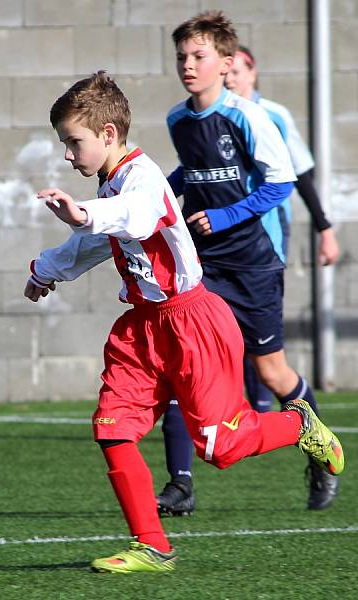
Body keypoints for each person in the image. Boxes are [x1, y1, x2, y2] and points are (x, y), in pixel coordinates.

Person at [24, 70, 343, 574]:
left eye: (73, 142)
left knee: (220, 446)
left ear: (108, 134)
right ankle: (152, 546)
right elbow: (93, 244)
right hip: (142, 329)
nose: (67, 154)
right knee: (112, 427)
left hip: (192, 322)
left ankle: (298, 421)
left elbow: (133, 217)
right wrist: (47, 271)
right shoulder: (111, 182)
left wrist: (83, 213)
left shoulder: (143, 179)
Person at [157, 14, 340, 517]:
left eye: (198, 57)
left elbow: (280, 183)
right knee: (181, 364)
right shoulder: (178, 120)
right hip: (203, 267)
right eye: (181, 57)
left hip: (253, 265)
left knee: (272, 372)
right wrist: (157, 197)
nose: (188, 66)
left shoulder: (248, 115)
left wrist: (225, 214)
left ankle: (320, 457)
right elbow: (190, 174)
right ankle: (180, 484)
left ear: (226, 62)